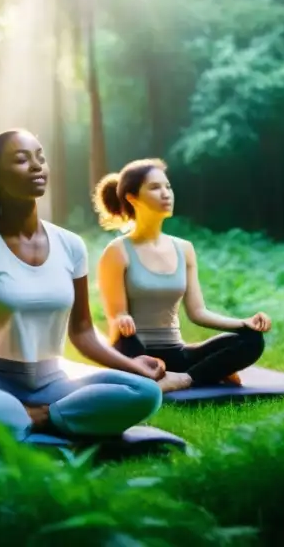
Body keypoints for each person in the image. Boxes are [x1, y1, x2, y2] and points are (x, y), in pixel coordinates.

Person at [0, 129, 164, 442]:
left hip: (53, 381)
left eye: (40, 158)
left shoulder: (71, 246)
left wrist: (131, 365)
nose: (37, 166)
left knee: (144, 392)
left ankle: (36, 417)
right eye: (22, 160)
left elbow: (84, 333)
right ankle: (58, 416)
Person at [92, 158, 271, 394]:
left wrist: (243, 323)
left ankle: (183, 378)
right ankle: (205, 373)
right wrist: (121, 319)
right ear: (132, 197)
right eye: (155, 188)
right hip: (134, 353)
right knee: (130, 348)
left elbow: (197, 313)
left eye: (168, 186)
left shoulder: (184, 248)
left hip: (177, 354)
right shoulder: (116, 252)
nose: (166, 193)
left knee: (251, 340)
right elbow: (116, 316)